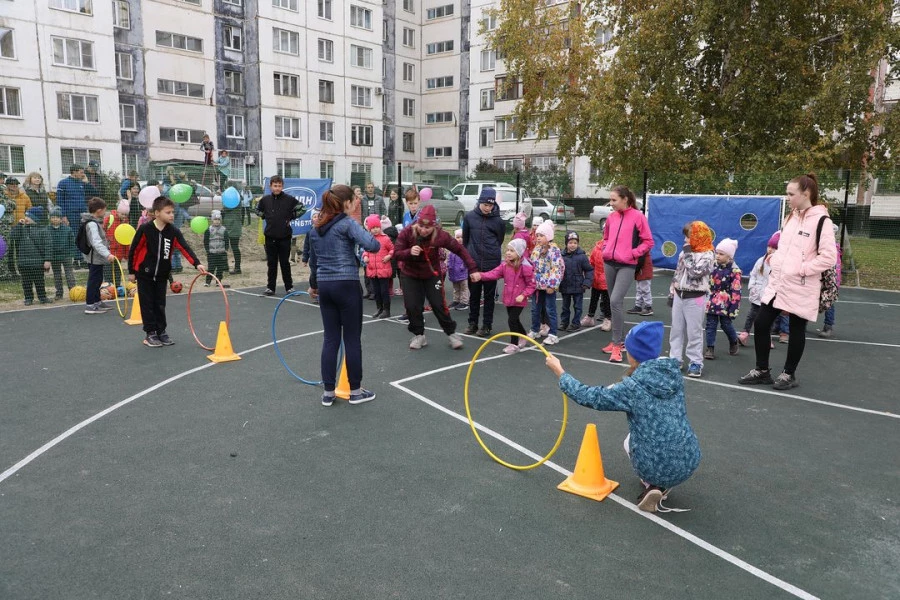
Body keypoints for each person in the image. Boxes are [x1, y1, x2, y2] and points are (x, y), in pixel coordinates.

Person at [545, 321, 701, 513]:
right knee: (661, 435)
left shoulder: (632, 388)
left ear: (634, 354)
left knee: (630, 442)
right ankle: (661, 484)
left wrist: (560, 372)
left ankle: (654, 482)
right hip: (690, 457)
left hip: (658, 462)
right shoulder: (672, 373)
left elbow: (590, 396)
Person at [739, 173, 836, 390]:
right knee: (762, 322)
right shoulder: (791, 216)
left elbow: (829, 257)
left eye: (791, 194)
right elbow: (785, 245)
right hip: (779, 283)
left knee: (796, 328)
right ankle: (762, 370)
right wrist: (778, 259)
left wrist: (801, 269)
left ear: (806, 194)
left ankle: (788, 374)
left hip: (801, 284)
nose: (788, 197)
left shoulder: (822, 221)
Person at [307, 184, 380, 405]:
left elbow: (314, 262)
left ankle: (328, 393)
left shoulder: (316, 228)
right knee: (351, 338)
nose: (356, 204)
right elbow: (373, 245)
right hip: (346, 284)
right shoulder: (347, 224)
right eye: (354, 202)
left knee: (330, 338)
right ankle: (355, 391)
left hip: (325, 286)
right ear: (346, 203)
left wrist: (314, 285)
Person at [393, 204, 477, 350]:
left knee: (438, 304)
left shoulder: (440, 235)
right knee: (412, 306)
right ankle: (419, 335)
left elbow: (460, 249)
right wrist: (408, 252)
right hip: (410, 274)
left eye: (427, 228)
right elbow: (396, 253)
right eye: (421, 226)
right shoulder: (407, 233)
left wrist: (473, 269)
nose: (423, 230)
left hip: (431, 274)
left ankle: (451, 333)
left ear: (434, 226)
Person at [128, 196, 206, 347]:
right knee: (147, 304)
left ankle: (161, 331)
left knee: (160, 304)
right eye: (168, 212)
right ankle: (150, 333)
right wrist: (132, 271)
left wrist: (197, 263)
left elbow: (185, 248)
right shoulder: (145, 229)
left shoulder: (173, 232)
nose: (172, 215)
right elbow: (134, 250)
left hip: (162, 275)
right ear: (157, 213)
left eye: (172, 212)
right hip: (145, 274)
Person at [602, 185, 654, 362]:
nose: (611, 203)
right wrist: (605, 248)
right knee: (613, 302)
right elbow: (606, 237)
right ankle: (620, 341)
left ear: (625, 199)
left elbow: (648, 241)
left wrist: (633, 253)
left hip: (627, 265)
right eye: (610, 200)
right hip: (609, 262)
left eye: (614, 200)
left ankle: (617, 345)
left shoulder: (638, 217)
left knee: (615, 300)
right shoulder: (611, 217)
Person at [667, 221, 715, 378]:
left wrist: (688, 253)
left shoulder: (708, 255)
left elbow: (695, 273)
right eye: (686, 237)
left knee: (694, 331)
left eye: (688, 237)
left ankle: (695, 362)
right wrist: (672, 291)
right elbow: (678, 272)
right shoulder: (684, 253)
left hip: (695, 297)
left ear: (698, 237)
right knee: (676, 329)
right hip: (680, 295)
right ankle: (675, 359)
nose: (685, 241)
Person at [476, 238, 536, 354]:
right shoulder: (505, 266)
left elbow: (531, 284)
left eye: (512, 251)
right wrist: (480, 275)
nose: (508, 253)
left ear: (518, 253)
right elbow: (493, 273)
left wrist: (523, 295)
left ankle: (514, 344)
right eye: (507, 250)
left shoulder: (525, 267)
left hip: (519, 299)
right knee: (515, 320)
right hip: (509, 298)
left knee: (512, 320)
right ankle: (523, 336)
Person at [462, 188, 505, 337]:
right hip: (473, 264)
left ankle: (487, 325)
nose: (488, 208)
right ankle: (472, 323)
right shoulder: (469, 218)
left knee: (489, 297)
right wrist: (468, 259)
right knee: (473, 295)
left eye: (490, 205)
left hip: (491, 265)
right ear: (480, 202)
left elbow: (499, 240)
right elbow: (465, 240)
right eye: (485, 204)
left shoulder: (498, 221)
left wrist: (492, 255)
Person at [256, 175, 302, 295]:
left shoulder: (289, 199)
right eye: (275, 186)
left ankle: (289, 287)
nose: (277, 188)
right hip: (270, 237)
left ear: (282, 186)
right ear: (270, 186)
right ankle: (270, 287)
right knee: (271, 264)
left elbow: (302, 208)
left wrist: (291, 217)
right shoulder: (265, 200)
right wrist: (263, 215)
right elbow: (256, 209)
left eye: (279, 186)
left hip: (285, 237)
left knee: (285, 263)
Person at [527, 219, 564, 346]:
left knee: (550, 309)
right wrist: (531, 281)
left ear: (548, 236)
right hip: (537, 285)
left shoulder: (554, 250)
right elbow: (532, 265)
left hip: (548, 286)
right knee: (535, 309)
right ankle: (535, 329)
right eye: (537, 235)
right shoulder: (537, 249)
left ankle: (553, 334)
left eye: (541, 235)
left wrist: (552, 285)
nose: (538, 238)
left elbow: (556, 268)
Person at [704, 238, 742, 360]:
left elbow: (736, 290)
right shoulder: (712, 267)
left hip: (726, 303)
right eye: (717, 253)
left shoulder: (734, 271)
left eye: (721, 254)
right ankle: (710, 347)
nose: (718, 256)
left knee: (726, 324)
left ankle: (733, 340)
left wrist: (733, 308)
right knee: (710, 324)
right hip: (712, 301)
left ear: (729, 257)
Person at [739, 232, 779, 348]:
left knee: (768, 318)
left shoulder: (778, 264)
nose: (771, 250)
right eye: (770, 246)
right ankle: (745, 333)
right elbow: (753, 274)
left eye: (774, 248)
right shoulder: (760, 261)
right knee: (751, 315)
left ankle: (767, 338)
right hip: (757, 295)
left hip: (769, 297)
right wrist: (752, 287)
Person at [81, 197, 117, 314]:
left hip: (97, 257)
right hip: (94, 257)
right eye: (104, 210)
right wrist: (108, 254)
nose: (105, 212)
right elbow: (96, 242)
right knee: (93, 280)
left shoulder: (95, 222)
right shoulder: (91, 224)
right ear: (99, 210)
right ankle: (90, 305)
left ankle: (97, 302)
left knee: (97, 279)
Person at [10, 207, 51, 305]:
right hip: (24, 262)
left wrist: (48, 260)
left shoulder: (43, 230)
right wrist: (19, 224)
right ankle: (28, 298)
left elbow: (48, 246)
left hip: (37, 263)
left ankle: (42, 297)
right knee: (26, 283)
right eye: (26, 215)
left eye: (29, 216)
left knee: (39, 282)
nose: (26, 218)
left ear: (35, 218)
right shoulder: (21, 229)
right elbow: (13, 236)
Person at [559, 231, 594, 332]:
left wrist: (587, 283)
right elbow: (557, 270)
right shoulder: (561, 256)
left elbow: (589, 269)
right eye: (570, 243)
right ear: (566, 243)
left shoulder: (582, 256)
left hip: (578, 286)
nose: (572, 245)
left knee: (577, 306)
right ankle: (564, 322)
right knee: (565, 306)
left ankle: (575, 323)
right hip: (565, 285)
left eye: (575, 243)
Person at [363, 214, 394, 318]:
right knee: (376, 291)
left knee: (384, 291)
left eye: (377, 227)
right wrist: (365, 256)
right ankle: (379, 308)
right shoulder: (368, 239)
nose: (375, 230)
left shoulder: (385, 239)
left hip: (383, 269)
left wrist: (389, 256)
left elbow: (392, 249)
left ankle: (386, 310)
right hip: (372, 269)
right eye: (373, 228)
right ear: (370, 229)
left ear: (380, 227)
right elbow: (365, 251)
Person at [818, 223, 843, 338]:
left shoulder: (834, 248)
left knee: (828, 302)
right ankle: (804, 321)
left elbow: (834, 267)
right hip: (819, 277)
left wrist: (834, 282)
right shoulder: (820, 245)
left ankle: (828, 325)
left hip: (830, 280)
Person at [47, 207, 77, 300]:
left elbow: (72, 242)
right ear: (50, 218)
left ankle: (73, 292)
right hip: (54, 256)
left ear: (61, 219)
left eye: (57, 217)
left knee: (69, 274)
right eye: (52, 217)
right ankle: (59, 293)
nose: (55, 219)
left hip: (66, 255)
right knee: (57, 275)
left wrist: (72, 254)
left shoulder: (67, 230)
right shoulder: (47, 230)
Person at [583, 237, 611, 330]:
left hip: (607, 280)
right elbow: (592, 261)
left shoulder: (613, 246)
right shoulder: (597, 247)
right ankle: (590, 317)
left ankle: (608, 319)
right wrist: (591, 275)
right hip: (596, 279)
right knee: (593, 299)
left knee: (606, 301)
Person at [101, 199, 131, 282]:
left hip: (119, 252)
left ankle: (117, 286)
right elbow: (102, 229)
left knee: (118, 271)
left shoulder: (126, 222)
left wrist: (126, 254)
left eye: (125, 214)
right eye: (122, 214)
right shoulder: (110, 218)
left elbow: (126, 239)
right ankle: (108, 287)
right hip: (109, 251)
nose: (124, 216)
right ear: (118, 212)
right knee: (108, 271)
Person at [203, 210, 230, 288]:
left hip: (221, 252)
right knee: (211, 267)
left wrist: (226, 249)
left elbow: (226, 239)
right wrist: (207, 250)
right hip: (212, 253)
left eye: (218, 220)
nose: (217, 221)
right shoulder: (209, 230)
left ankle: (218, 281)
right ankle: (208, 281)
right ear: (212, 220)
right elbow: (206, 240)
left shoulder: (224, 229)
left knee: (220, 268)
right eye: (215, 219)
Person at [447, 228, 470, 310]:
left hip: (462, 272)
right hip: (453, 272)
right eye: (457, 237)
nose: (459, 239)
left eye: (461, 237)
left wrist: (463, 266)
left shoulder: (465, 249)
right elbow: (449, 258)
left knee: (464, 287)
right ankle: (456, 300)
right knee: (456, 288)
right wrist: (449, 265)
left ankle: (464, 302)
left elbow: (467, 259)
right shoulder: (452, 248)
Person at [628, 250, 655, 316]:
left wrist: (635, 269)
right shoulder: (639, 245)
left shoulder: (643, 247)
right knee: (639, 289)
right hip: (641, 270)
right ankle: (638, 306)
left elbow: (640, 260)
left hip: (643, 270)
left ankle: (648, 307)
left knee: (645, 289)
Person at [221, 201, 244, 275]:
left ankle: (237, 268)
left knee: (234, 247)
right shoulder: (227, 200)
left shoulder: (236, 200)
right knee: (224, 247)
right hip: (227, 226)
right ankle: (225, 266)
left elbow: (228, 208)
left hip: (234, 227)